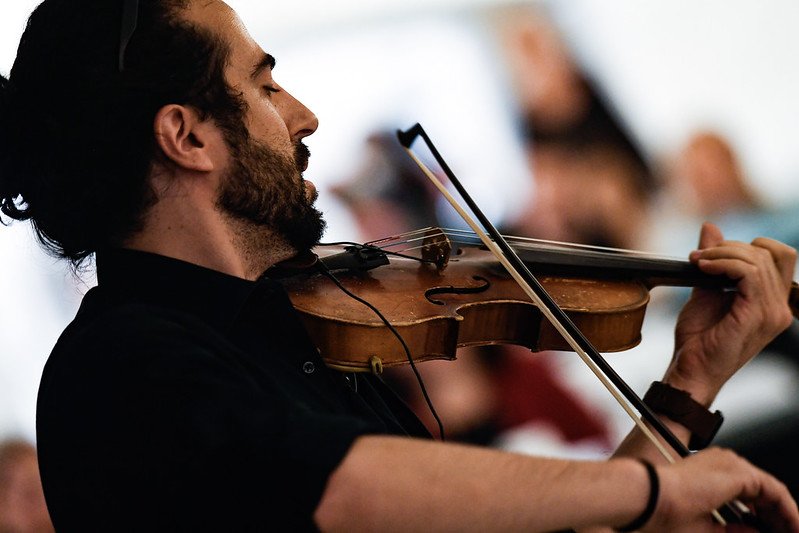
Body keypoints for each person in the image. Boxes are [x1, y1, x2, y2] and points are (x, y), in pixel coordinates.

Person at [0, 0, 797, 531]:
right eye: (264, 85)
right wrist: (653, 488)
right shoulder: (118, 365)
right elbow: (337, 488)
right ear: (187, 136)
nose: (305, 115)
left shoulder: (302, 328)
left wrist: (688, 384)